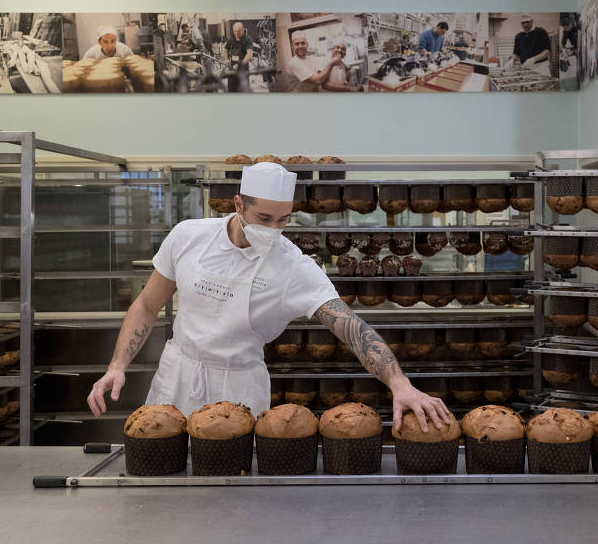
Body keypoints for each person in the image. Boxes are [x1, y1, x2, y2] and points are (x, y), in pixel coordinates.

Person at [86, 162, 449, 432]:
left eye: (283, 220)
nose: (274, 230)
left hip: (240, 389)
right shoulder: (188, 237)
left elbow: (352, 329)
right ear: (238, 204)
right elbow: (147, 305)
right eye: (264, 217)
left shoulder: (294, 266)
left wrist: (400, 383)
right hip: (177, 376)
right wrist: (117, 366)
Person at [225, 21, 255, 92]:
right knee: (231, 89)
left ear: (243, 30)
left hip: (243, 69)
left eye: (238, 31)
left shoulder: (248, 39)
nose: (236, 33)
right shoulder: (231, 38)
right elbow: (225, 49)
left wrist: (240, 64)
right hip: (232, 68)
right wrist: (226, 59)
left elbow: (249, 54)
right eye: (235, 31)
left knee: (243, 89)